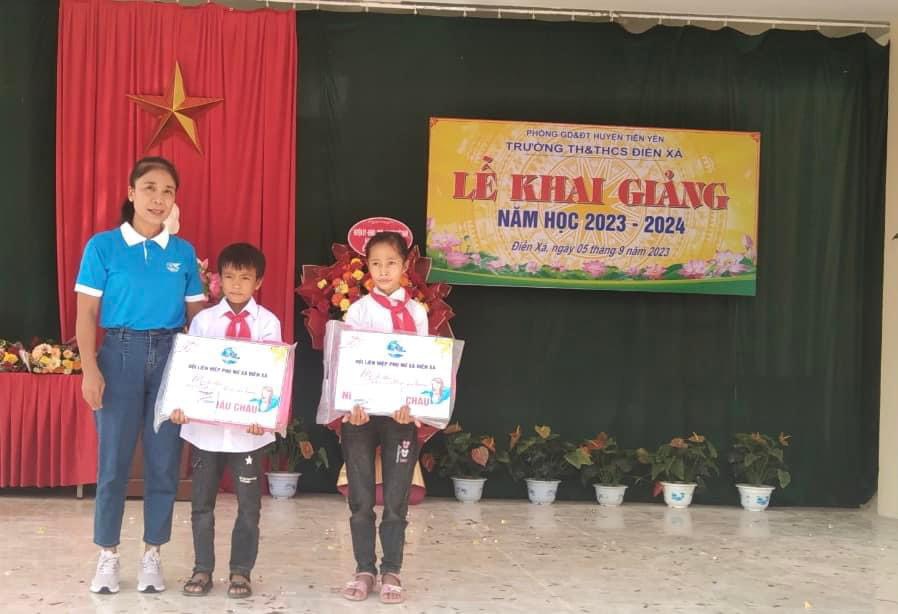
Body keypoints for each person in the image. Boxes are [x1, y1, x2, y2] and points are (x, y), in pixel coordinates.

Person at [76, 156, 206, 594]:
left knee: (164, 462)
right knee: (112, 463)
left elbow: (198, 319)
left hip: (171, 358)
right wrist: (90, 370)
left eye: (168, 191)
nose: (158, 198)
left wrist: (203, 375)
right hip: (120, 355)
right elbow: (86, 314)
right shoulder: (103, 247)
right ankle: (108, 555)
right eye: (149, 188)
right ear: (131, 193)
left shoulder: (183, 253)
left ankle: (153, 553)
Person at [169, 243, 282, 599]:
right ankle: (202, 568)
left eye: (245, 278)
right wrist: (181, 404)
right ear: (218, 279)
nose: (236, 285)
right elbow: (190, 368)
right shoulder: (203, 321)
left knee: (249, 506)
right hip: (205, 432)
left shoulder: (267, 323)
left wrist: (263, 416)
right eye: (229, 277)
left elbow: (271, 375)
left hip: (248, 434)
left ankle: (241, 571)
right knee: (202, 503)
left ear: (258, 282)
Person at [339, 231, 431, 605]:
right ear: (367, 267)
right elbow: (348, 361)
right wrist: (351, 402)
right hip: (361, 417)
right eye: (375, 263)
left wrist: (414, 404)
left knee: (396, 498)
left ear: (405, 265)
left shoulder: (417, 313)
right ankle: (364, 568)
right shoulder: (359, 310)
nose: (383, 270)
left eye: (391, 262)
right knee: (361, 498)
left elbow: (423, 364)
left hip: (400, 417)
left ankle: (392, 568)